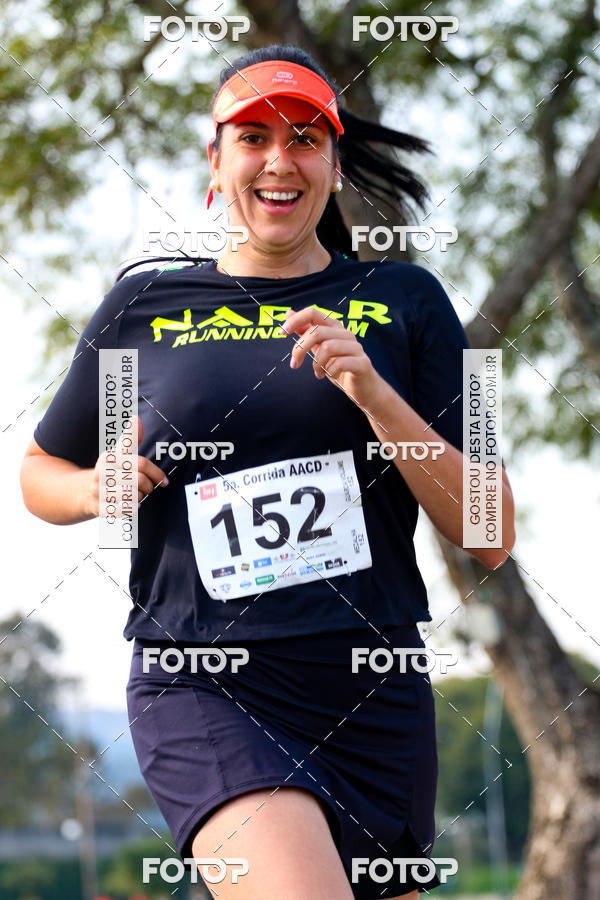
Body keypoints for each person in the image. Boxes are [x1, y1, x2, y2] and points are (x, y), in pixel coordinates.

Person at [20, 43, 516, 899]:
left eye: (304, 139)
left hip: (373, 689)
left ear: (333, 164)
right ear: (215, 161)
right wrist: (96, 490)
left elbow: (492, 530)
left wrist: (376, 397)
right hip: (204, 682)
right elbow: (42, 469)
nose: (279, 160)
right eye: (253, 138)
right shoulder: (141, 307)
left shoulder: (415, 300)